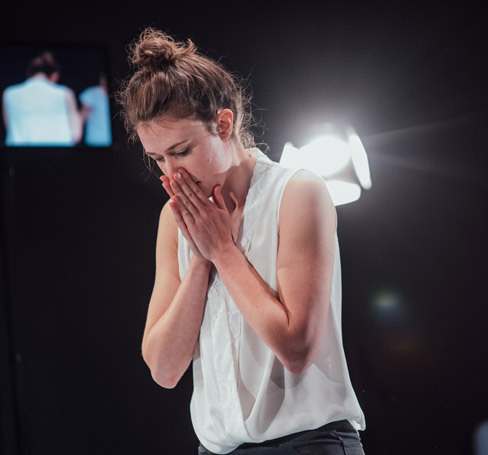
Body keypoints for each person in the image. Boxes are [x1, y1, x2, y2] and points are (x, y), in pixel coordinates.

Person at [116, 28, 365, 454]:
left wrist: (223, 252)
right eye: (157, 159)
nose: (171, 174)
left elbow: (297, 347)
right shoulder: (172, 220)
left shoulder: (297, 192)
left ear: (224, 124)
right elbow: (163, 368)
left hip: (306, 444)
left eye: (181, 151)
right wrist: (198, 261)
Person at [2, 51, 83, 146]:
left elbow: (9, 127)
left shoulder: (9, 93)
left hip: (18, 155)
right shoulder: (64, 93)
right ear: (54, 75)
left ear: (28, 74)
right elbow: (76, 134)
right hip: (59, 154)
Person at [79, 73, 112, 146]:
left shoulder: (117, 94)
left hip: (111, 141)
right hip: (94, 140)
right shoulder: (92, 93)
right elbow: (83, 117)